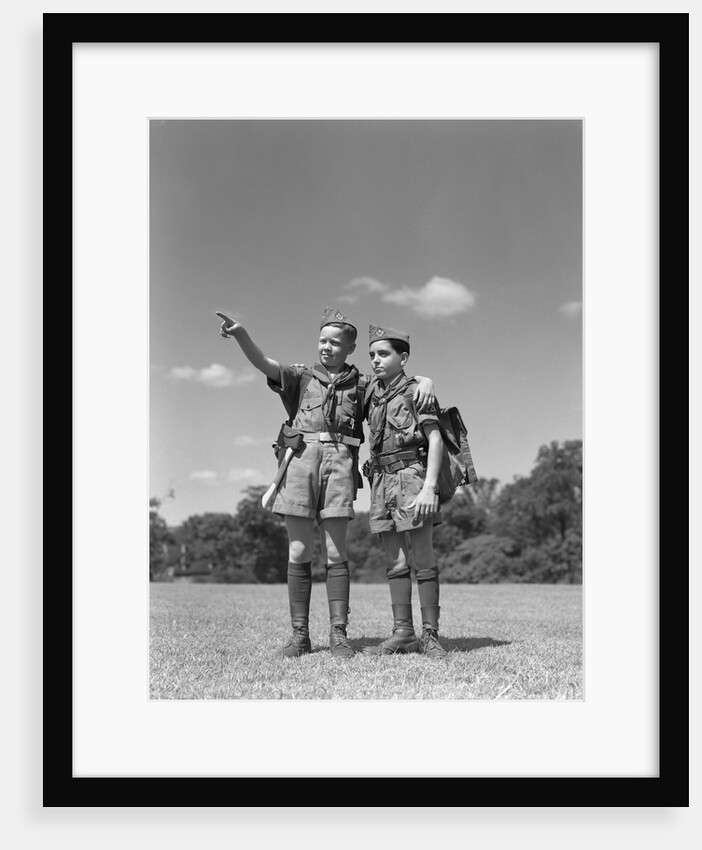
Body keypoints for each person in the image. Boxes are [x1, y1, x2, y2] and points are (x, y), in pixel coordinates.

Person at [216, 306, 436, 659]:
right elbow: (264, 363)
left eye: (335, 343)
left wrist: (427, 380)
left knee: (336, 551)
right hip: (300, 464)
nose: (326, 347)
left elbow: (400, 383)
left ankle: (338, 635)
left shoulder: (363, 384)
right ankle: (299, 636)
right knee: (299, 549)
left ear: (349, 349)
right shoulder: (301, 377)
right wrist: (242, 334)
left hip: (339, 465)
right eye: (322, 340)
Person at [361, 323, 448, 659]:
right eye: (372, 355)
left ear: (404, 357)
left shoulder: (417, 392)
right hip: (381, 481)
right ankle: (403, 633)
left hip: (413, 478)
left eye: (384, 354)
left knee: (423, 557)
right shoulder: (371, 392)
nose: (376, 360)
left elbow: (435, 440)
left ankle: (430, 636)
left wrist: (429, 488)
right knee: (394, 560)